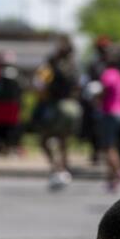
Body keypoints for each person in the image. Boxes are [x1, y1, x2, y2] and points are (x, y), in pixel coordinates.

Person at [34, 37, 81, 190]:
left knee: (43, 139)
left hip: (57, 106)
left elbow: (40, 84)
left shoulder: (52, 65)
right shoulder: (74, 65)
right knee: (63, 141)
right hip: (73, 107)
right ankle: (64, 170)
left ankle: (56, 169)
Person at [97, 45, 120, 192]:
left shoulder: (108, 73)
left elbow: (103, 90)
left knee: (108, 147)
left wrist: (96, 99)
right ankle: (112, 179)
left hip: (111, 113)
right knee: (113, 146)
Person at [0, 52, 23, 155]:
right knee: (11, 128)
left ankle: (2, 148)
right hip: (12, 106)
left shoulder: (0, 75)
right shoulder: (17, 74)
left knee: (1, 128)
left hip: (2, 106)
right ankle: (10, 147)